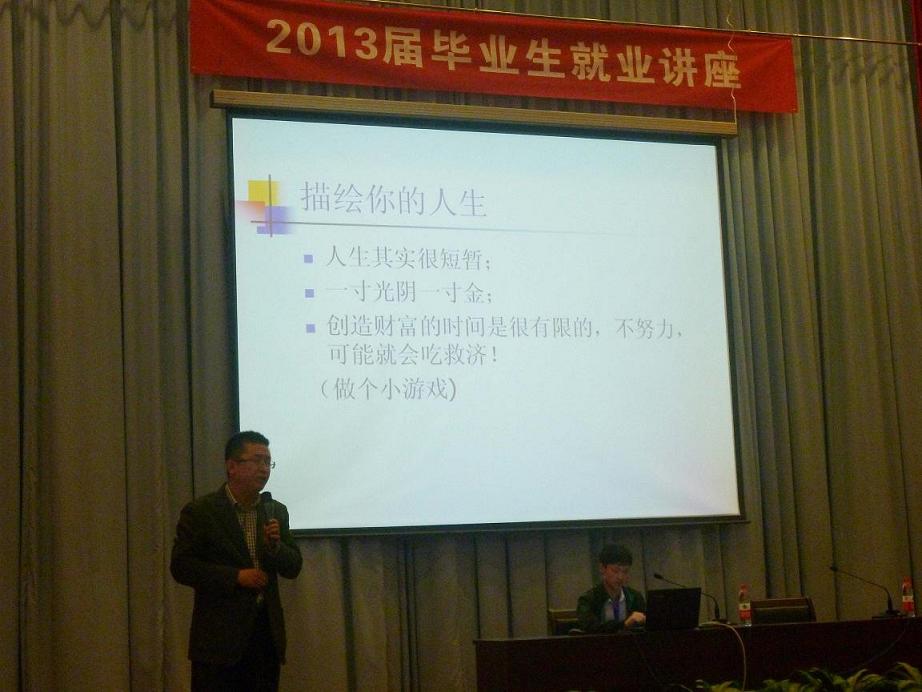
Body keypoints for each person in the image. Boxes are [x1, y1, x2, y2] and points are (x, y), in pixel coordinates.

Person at [171, 431, 303, 691]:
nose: (264, 469)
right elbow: (181, 566)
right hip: (218, 642)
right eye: (257, 460)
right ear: (232, 466)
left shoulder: (275, 510)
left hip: (265, 639)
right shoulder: (201, 512)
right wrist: (236, 577)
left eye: (268, 462)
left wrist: (275, 548)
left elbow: (293, 567)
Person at [576, 544, 646, 633]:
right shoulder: (588, 600)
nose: (620, 577)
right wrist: (624, 625)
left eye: (625, 571)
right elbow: (590, 628)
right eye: (615, 571)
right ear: (602, 568)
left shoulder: (635, 597)